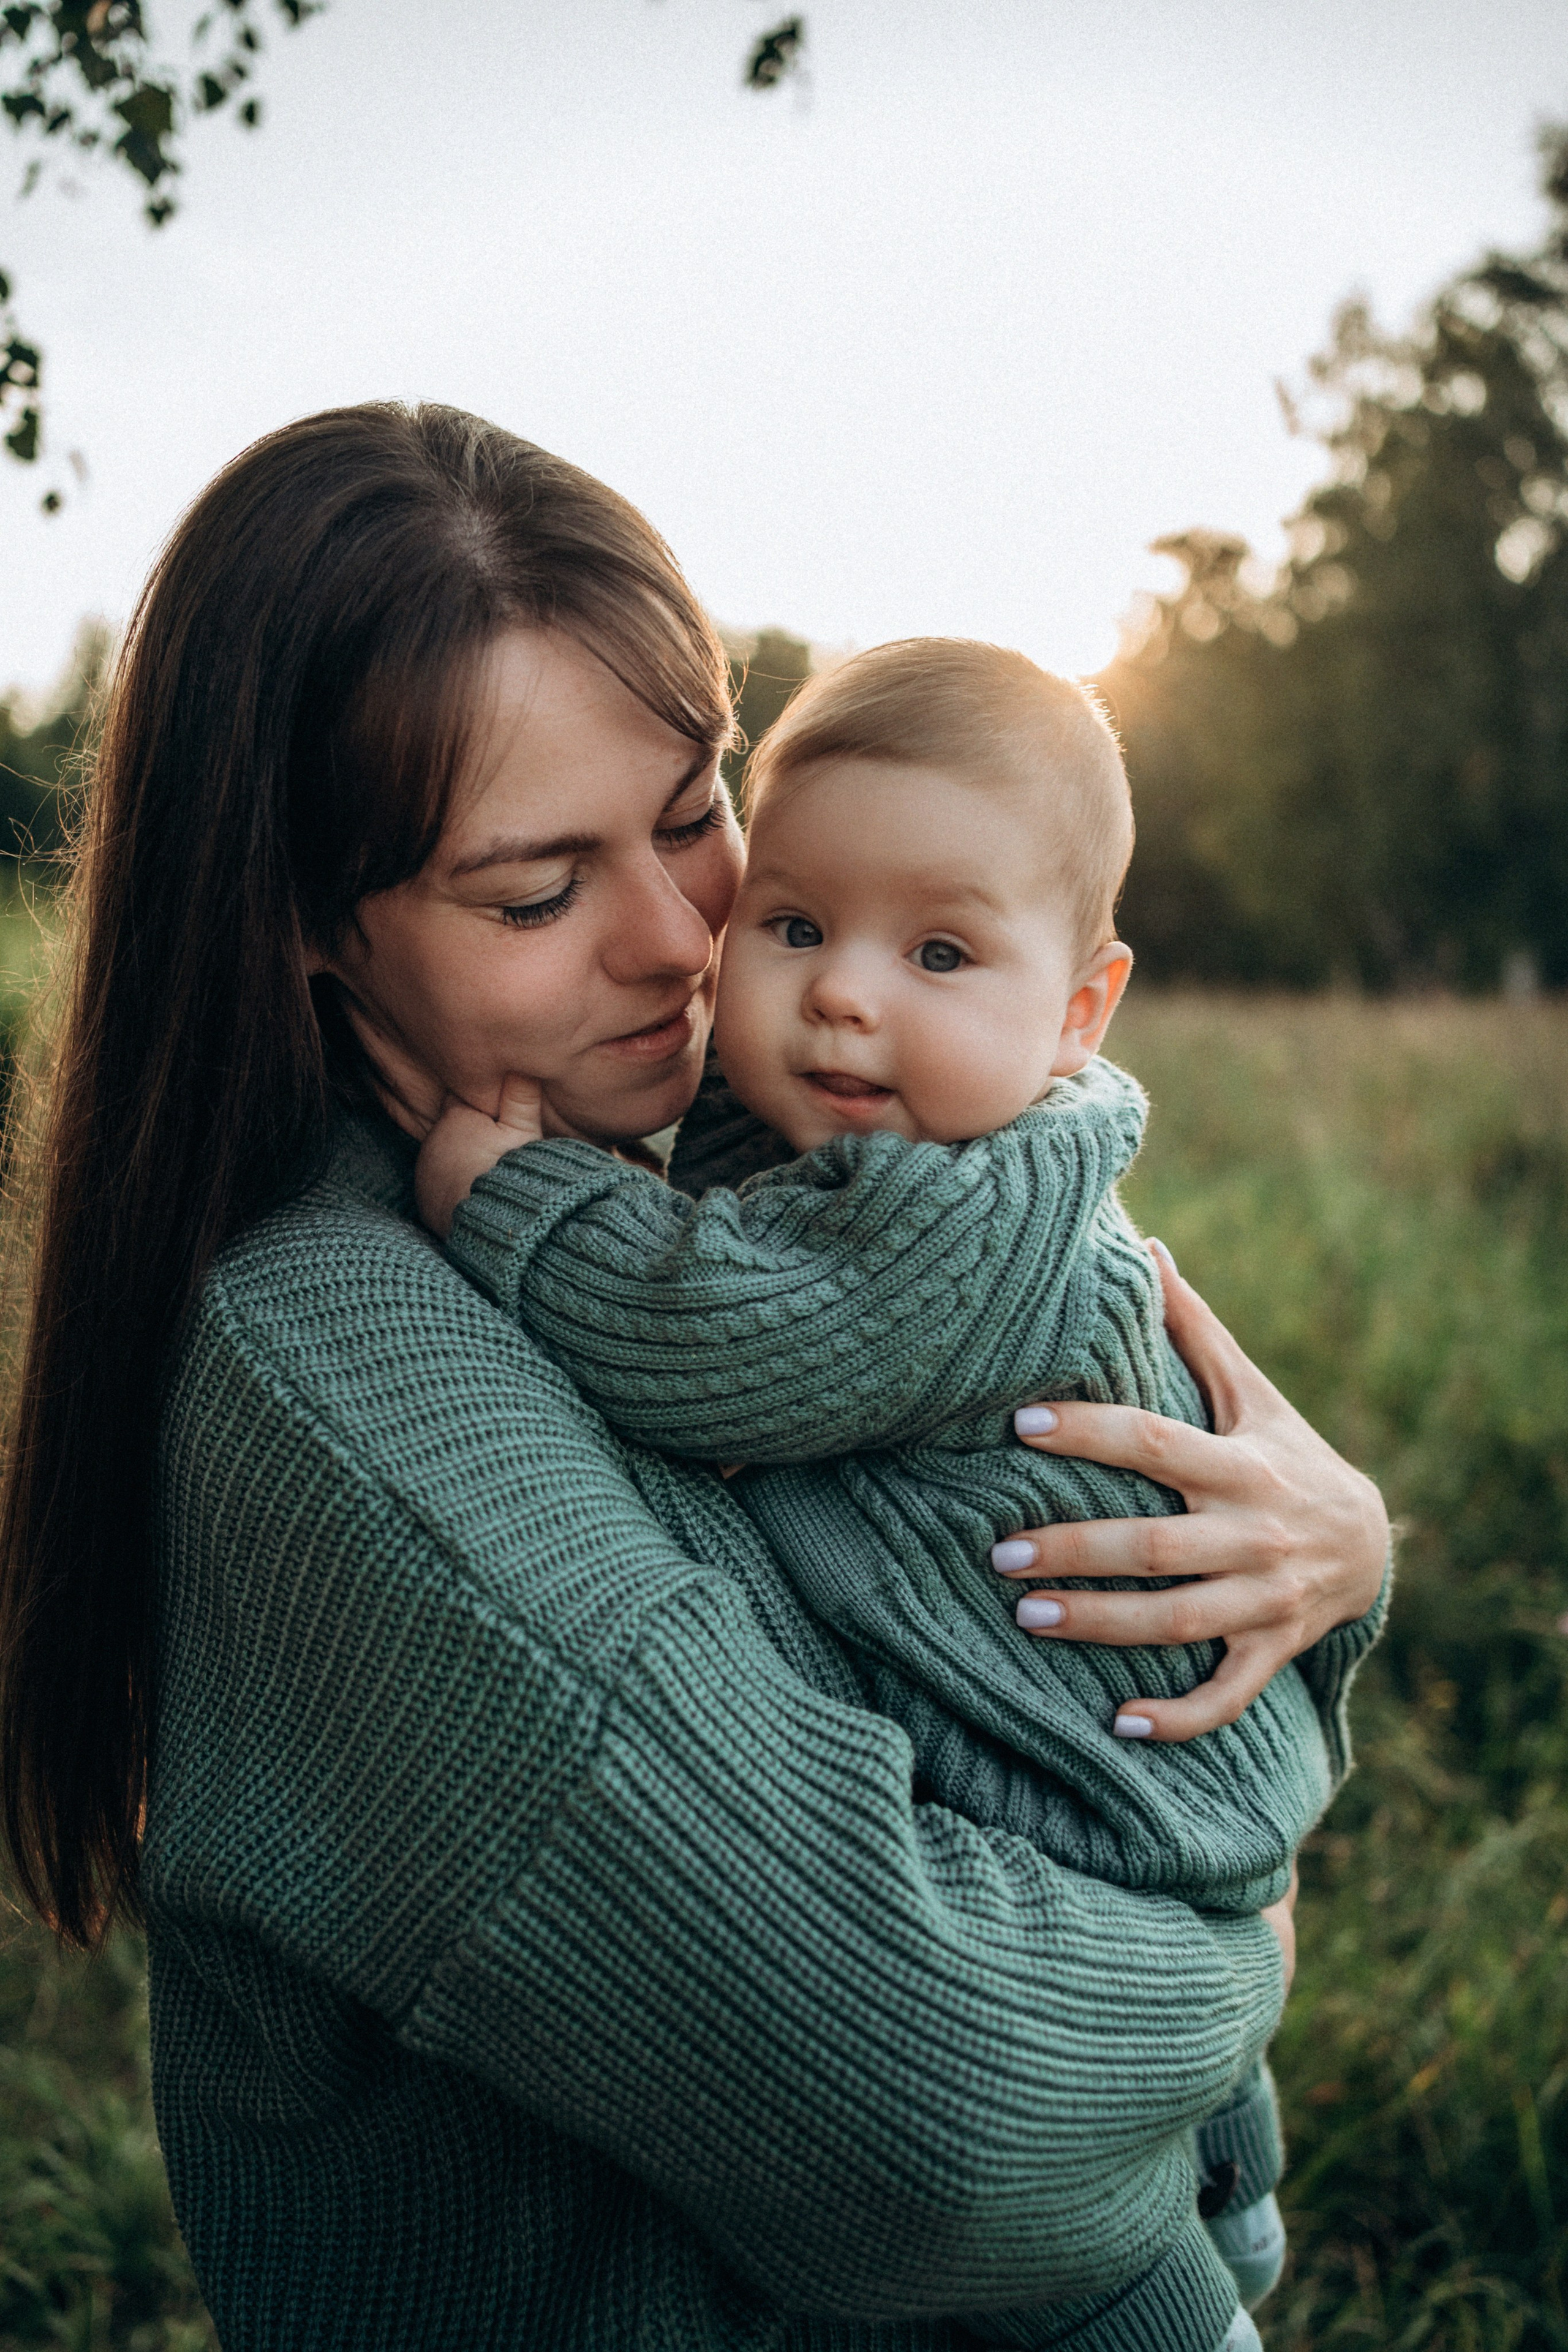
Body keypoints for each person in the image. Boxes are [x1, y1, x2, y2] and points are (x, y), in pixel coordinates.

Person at [0, 405, 1390, 2352]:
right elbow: (958, 2130)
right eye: (535, 891)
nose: (683, 939)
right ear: (302, 925)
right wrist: (1240, 1955)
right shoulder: (342, 1387)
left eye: (690, 809)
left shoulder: (678, 1169)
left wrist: (1339, 1537)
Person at [405, 636, 1382, 2325]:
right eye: (795, 926)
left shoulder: (968, 1212)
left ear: (1078, 1012)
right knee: (1167, 2174)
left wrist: (517, 1201)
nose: (846, 994)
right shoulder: (834, 1135)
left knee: (1130, 2225)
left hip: (1114, 1784)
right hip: (1085, 1748)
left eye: (939, 951)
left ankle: (1215, 2275)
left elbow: (730, 1337)